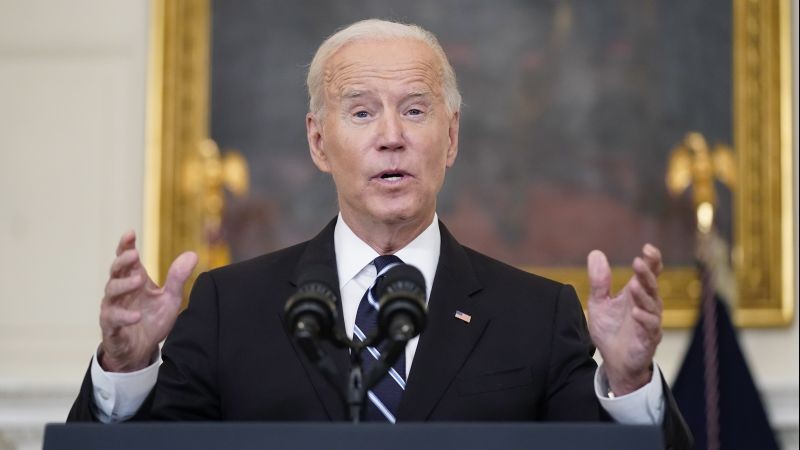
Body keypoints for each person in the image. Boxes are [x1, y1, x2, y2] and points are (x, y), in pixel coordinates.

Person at [67, 19, 691, 448]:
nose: (391, 135)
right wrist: (125, 369)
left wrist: (632, 383)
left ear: (450, 139)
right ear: (318, 141)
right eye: (361, 111)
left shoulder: (536, 313)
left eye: (415, 110)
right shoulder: (230, 307)